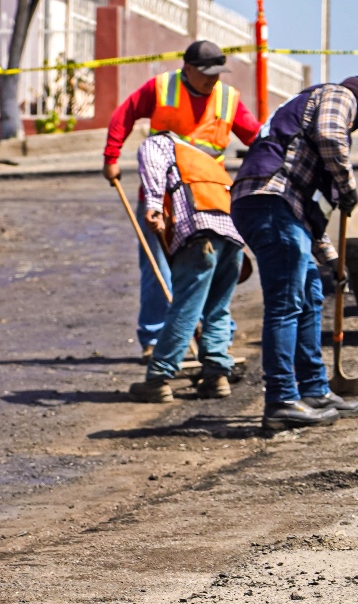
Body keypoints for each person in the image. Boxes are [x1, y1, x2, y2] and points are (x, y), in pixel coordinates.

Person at [231, 76, 358, 431]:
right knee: (286, 301)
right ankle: (281, 399)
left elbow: (309, 214)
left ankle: (314, 390)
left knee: (311, 292)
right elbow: (331, 136)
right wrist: (348, 188)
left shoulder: (303, 128)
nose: (356, 127)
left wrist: (333, 261)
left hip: (279, 206)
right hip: (270, 202)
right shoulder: (338, 96)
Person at [103, 40, 260, 362]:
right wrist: (111, 156)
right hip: (166, 198)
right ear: (187, 68)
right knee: (157, 265)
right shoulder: (162, 88)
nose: (213, 79)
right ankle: (156, 339)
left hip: (207, 197)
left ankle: (215, 340)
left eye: (217, 73)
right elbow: (125, 114)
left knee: (212, 267)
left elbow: (256, 138)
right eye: (206, 73)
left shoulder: (228, 99)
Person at [128, 133, 243, 403]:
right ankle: (216, 376)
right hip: (233, 236)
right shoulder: (201, 158)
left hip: (200, 235)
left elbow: (153, 170)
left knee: (185, 307)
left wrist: (154, 206)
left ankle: (159, 377)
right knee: (218, 308)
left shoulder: (158, 143)